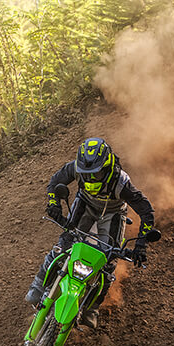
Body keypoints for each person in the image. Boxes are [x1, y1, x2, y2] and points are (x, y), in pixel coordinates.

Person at [24, 137, 156, 329]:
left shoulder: (121, 182)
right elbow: (55, 182)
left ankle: (91, 308)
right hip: (85, 206)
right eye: (87, 174)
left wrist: (141, 245)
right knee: (64, 244)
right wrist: (53, 204)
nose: (91, 178)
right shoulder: (76, 168)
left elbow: (146, 210)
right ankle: (38, 286)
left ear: (108, 167)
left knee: (108, 263)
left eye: (97, 173)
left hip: (113, 213)